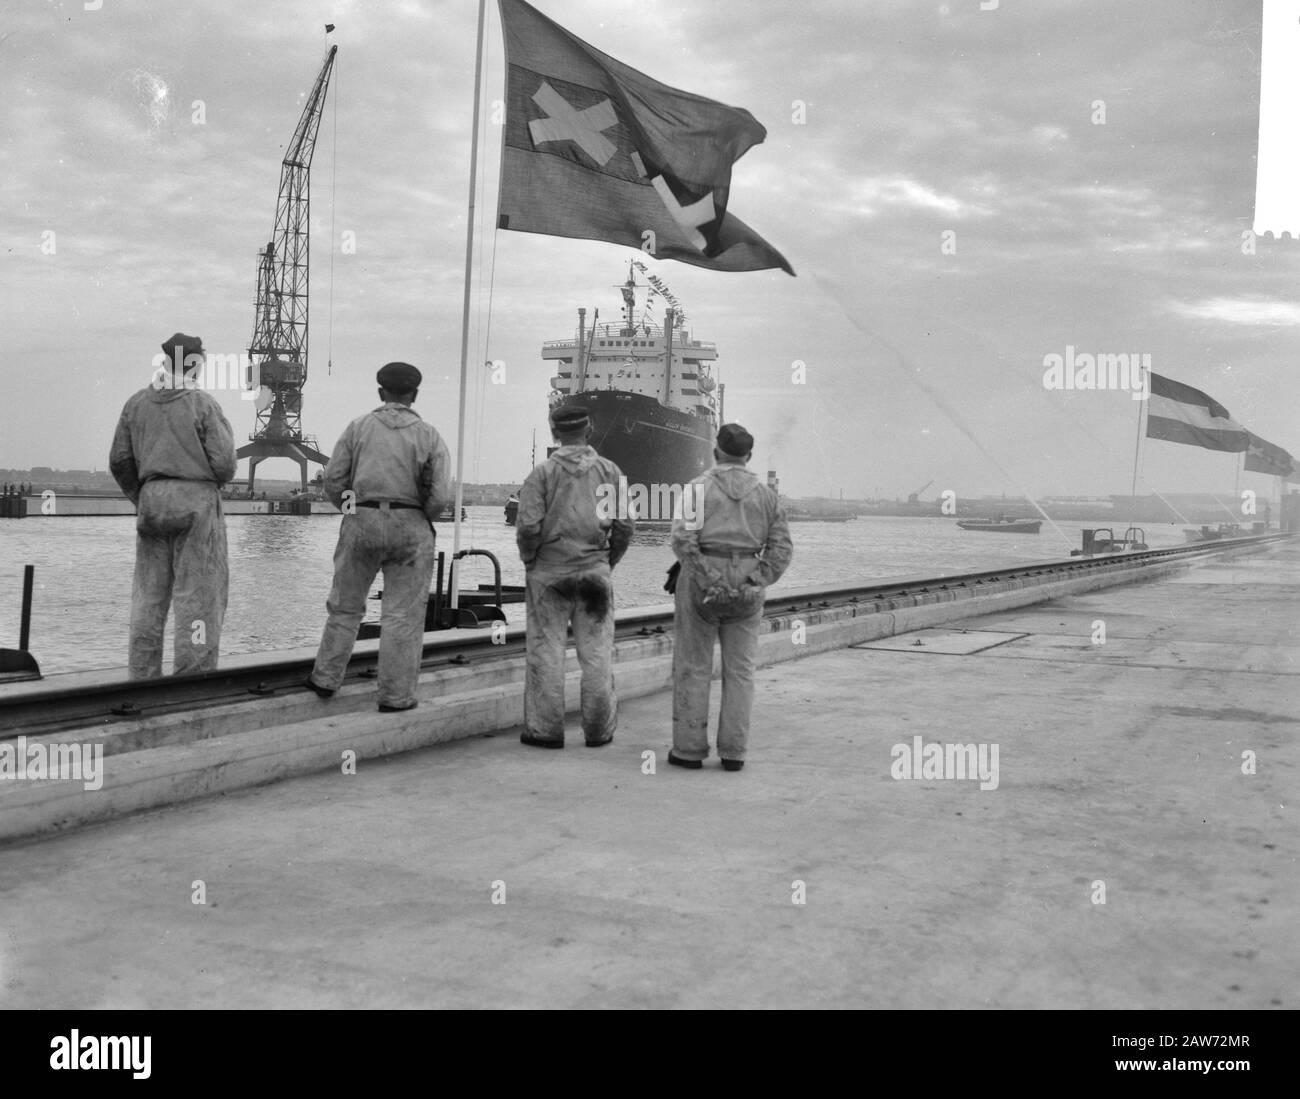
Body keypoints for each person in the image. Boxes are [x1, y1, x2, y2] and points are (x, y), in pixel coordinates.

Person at [306, 361, 452, 712]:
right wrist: (419, 516)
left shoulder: (358, 428)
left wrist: (352, 510)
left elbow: (334, 479)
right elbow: (440, 495)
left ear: (380, 392)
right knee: (402, 615)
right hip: (410, 524)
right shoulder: (429, 435)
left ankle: (325, 678)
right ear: (414, 395)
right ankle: (396, 696)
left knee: (344, 605)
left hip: (362, 519)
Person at [109, 332, 238, 679]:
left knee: (148, 600)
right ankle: (191, 682)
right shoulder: (203, 405)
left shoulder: (135, 404)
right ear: (195, 364)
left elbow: (120, 461)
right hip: (195, 506)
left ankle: (142, 680)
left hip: (151, 502)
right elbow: (225, 464)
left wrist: (143, 497)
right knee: (197, 601)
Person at [668, 423, 793, 771]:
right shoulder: (768, 497)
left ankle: (689, 751)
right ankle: (734, 753)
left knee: (693, 667)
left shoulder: (697, 489)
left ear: (716, 452)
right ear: (749, 456)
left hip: (701, 580)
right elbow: (782, 548)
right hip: (748, 585)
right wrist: (756, 579)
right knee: (741, 672)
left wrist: (710, 580)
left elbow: (682, 540)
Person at [515, 404, 633, 748]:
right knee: (596, 654)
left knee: (546, 652)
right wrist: (607, 562)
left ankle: (545, 730)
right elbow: (625, 526)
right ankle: (598, 731)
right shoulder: (610, 472)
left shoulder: (542, 474)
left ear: (554, 432)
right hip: (594, 572)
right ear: (590, 431)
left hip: (549, 574)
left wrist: (530, 561)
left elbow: (527, 527)